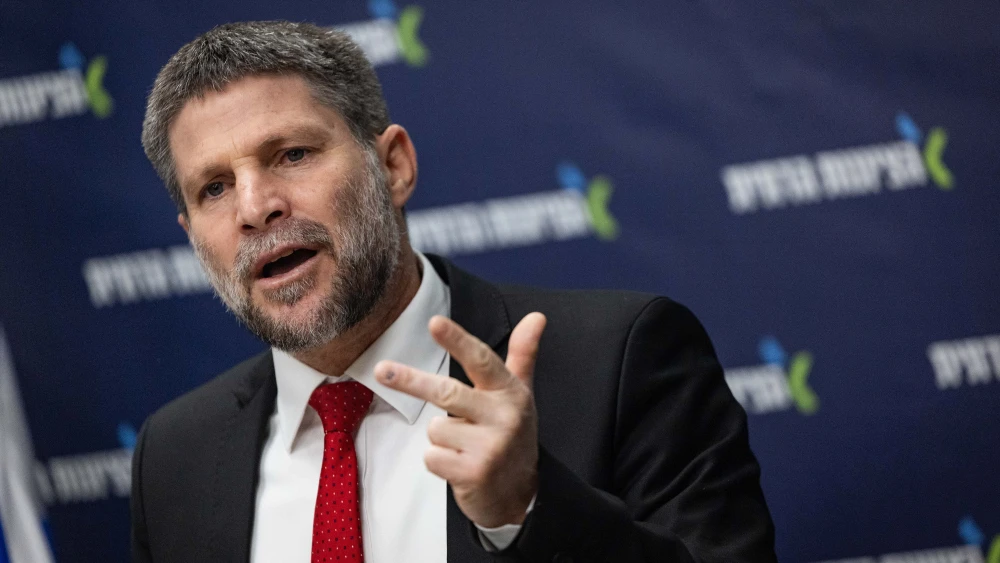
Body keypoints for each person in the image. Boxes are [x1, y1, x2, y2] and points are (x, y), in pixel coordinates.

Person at [131, 21, 776, 563]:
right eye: (214, 188)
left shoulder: (617, 361)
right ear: (192, 236)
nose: (254, 208)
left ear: (393, 167)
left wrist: (527, 508)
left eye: (292, 154)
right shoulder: (176, 456)